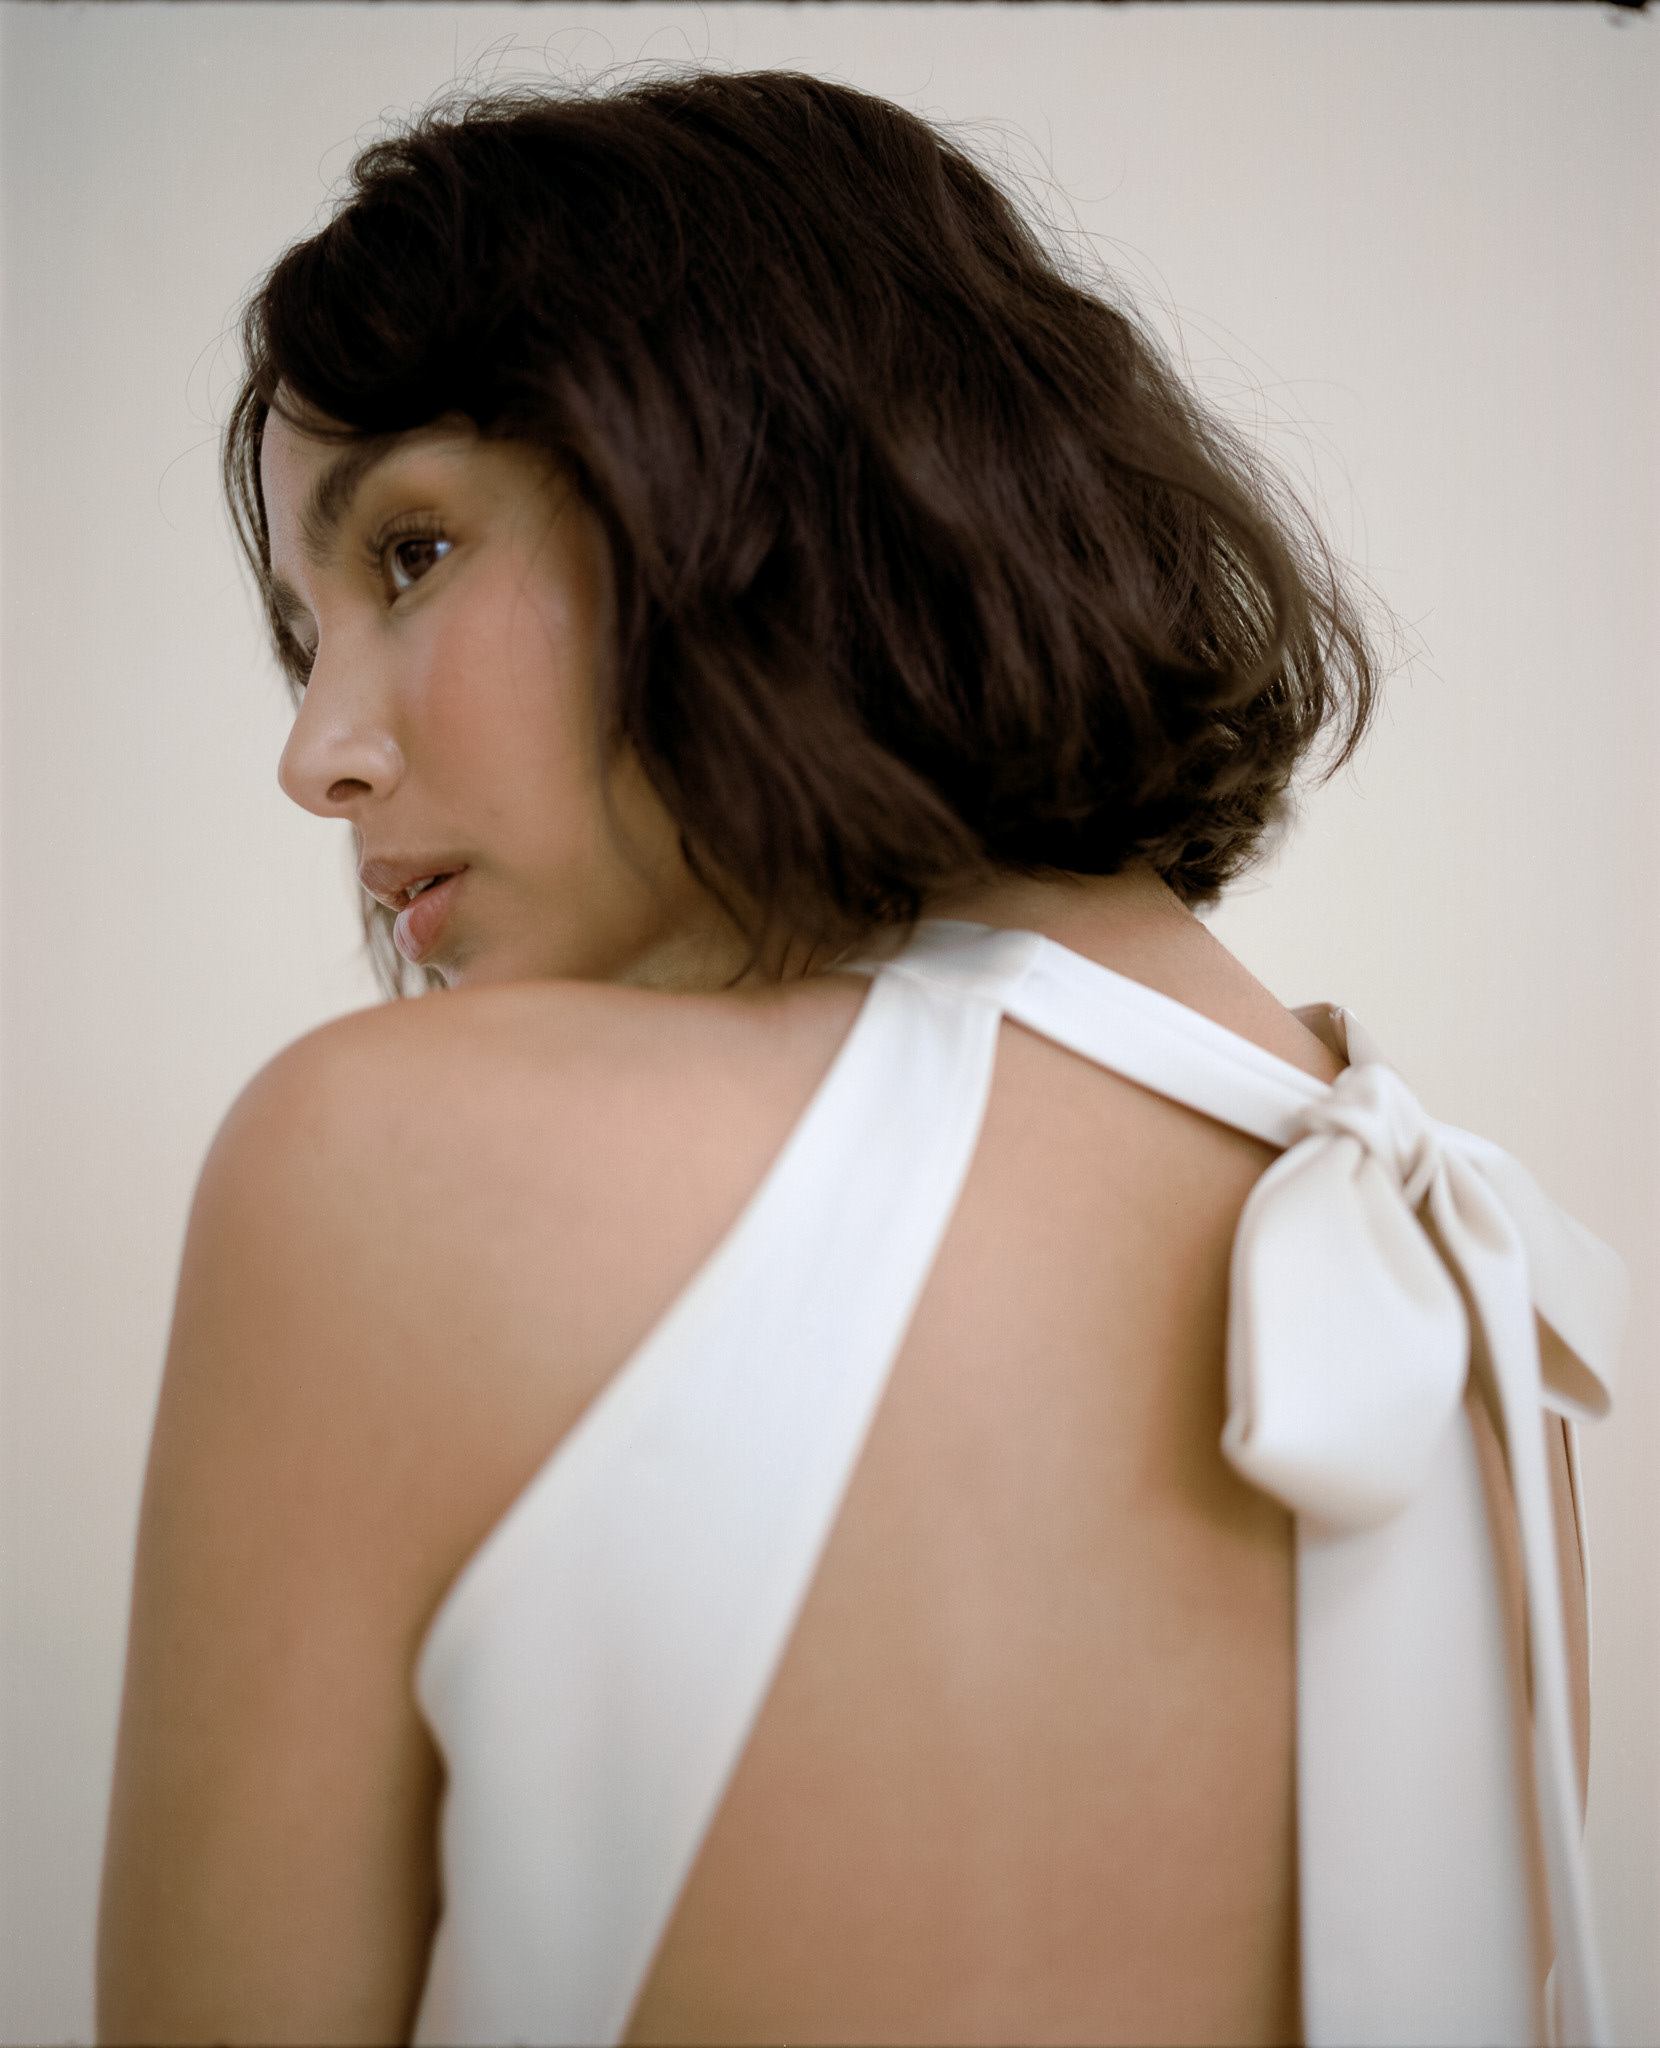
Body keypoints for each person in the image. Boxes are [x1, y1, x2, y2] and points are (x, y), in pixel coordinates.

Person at [95, 69, 1624, 2048]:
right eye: (305, 640)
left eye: (407, 553)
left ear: (758, 462)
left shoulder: (385, 1166)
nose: (317, 756)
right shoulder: (1472, 1301)